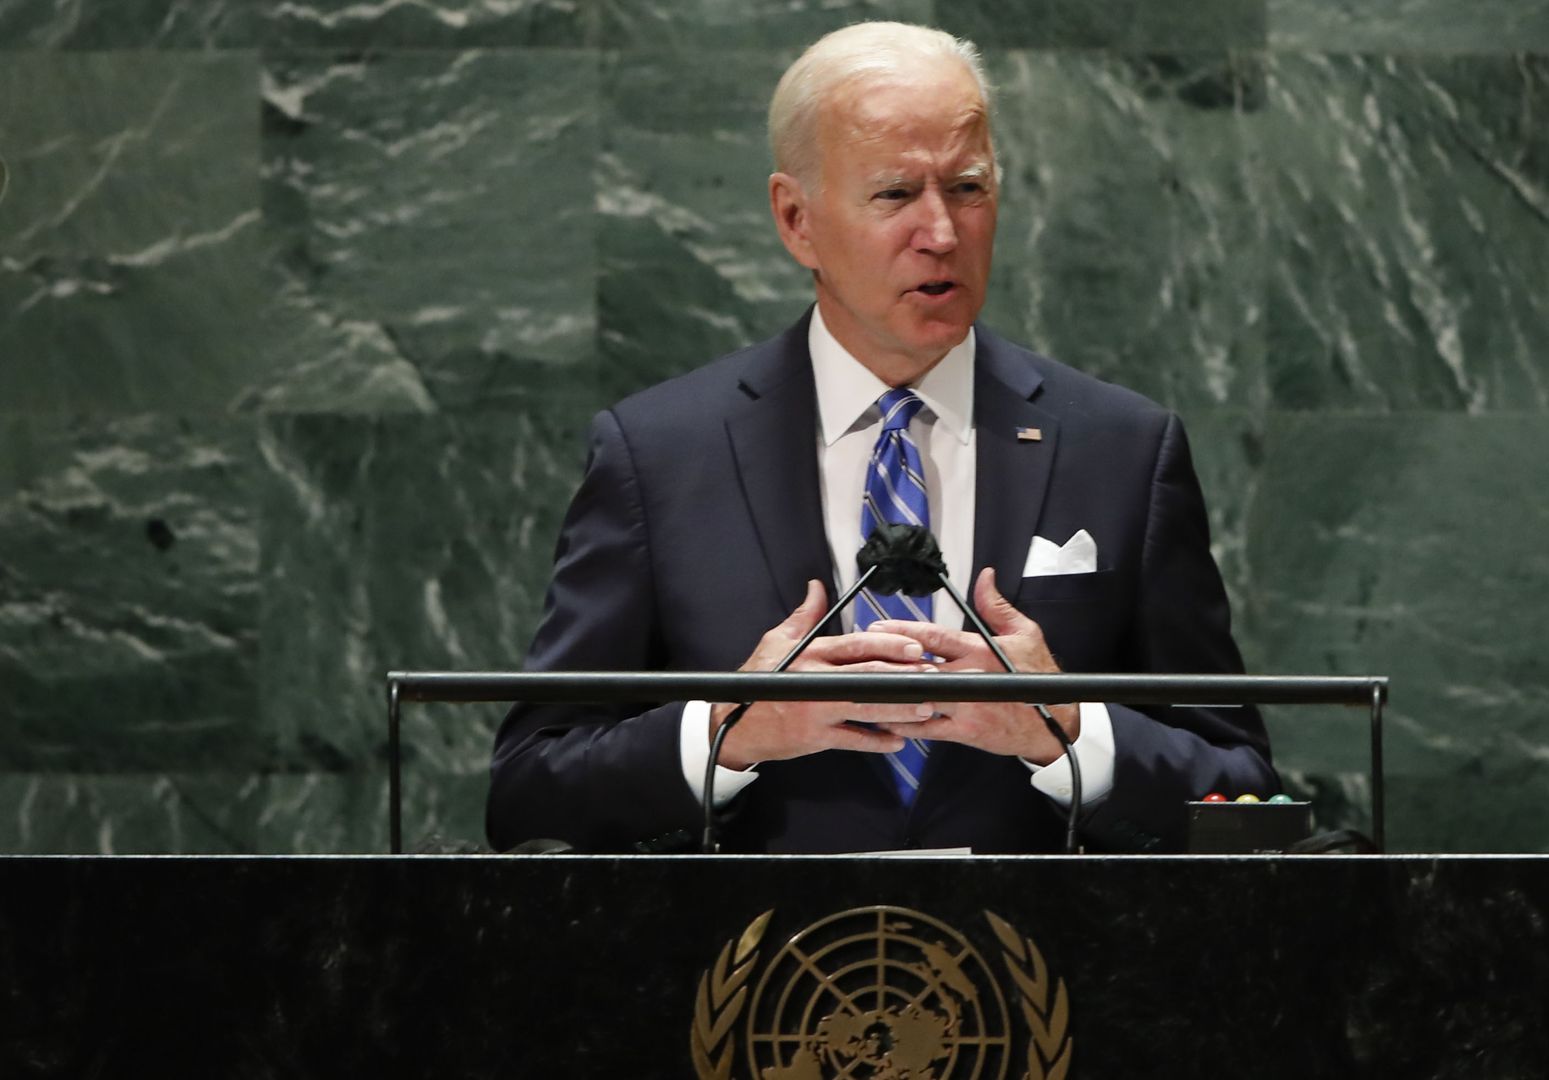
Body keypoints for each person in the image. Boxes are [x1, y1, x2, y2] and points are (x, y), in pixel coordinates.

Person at [487, 21, 1278, 854]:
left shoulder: (1120, 449)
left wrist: (1070, 730)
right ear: (797, 220)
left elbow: (1244, 789)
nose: (941, 232)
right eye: (896, 194)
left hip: (1048, 969)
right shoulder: (659, 456)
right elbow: (530, 793)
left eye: (968, 189)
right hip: (758, 972)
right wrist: (727, 730)